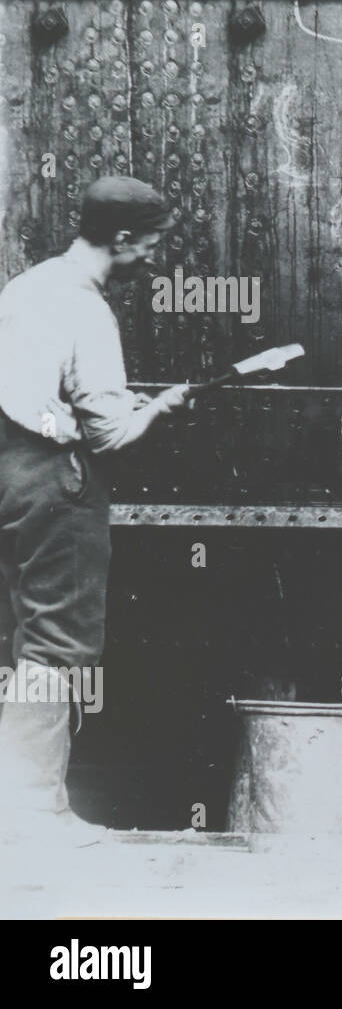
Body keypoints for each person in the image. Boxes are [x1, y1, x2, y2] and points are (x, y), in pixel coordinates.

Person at [0, 177, 191, 847]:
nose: (152, 257)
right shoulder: (87, 308)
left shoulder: (24, 288)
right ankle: (28, 813)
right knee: (54, 645)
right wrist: (159, 407)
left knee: (17, 640)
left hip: (6, 477)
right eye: (152, 242)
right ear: (122, 238)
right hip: (57, 483)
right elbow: (109, 434)